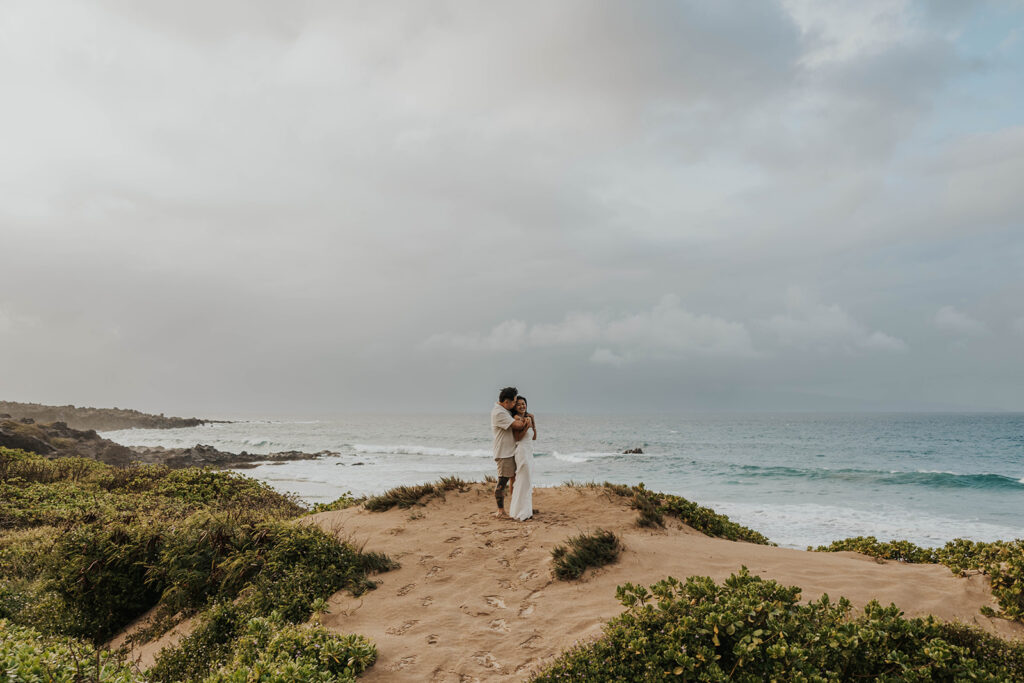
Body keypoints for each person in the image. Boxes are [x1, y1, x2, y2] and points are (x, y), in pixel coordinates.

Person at [491, 386, 529, 518]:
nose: (514, 404)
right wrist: (526, 421)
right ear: (506, 402)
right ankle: (500, 510)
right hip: (503, 453)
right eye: (513, 402)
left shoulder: (505, 411)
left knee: (514, 479)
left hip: (510, 451)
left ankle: (515, 506)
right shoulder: (499, 413)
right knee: (502, 481)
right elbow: (517, 426)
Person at [507, 396, 536, 521]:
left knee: (528, 481)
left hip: (529, 450)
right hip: (522, 451)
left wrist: (533, 423)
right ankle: (518, 511)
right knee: (523, 480)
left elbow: (534, 437)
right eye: (518, 404)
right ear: (515, 407)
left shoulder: (529, 417)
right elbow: (518, 438)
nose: (522, 406)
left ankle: (527, 510)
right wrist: (526, 427)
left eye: (523, 403)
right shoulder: (516, 418)